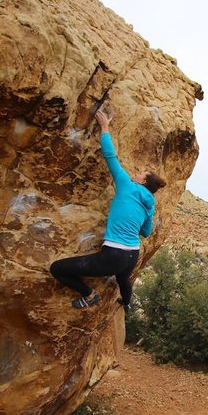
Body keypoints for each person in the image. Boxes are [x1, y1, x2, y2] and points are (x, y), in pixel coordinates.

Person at [50, 108, 166, 310]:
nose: (137, 173)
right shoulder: (150, 206)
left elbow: (110, 156)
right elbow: (146, 232)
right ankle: (127, 303)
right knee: (124, 280)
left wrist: (104, 127)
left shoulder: (127, 186)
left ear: (143, 181)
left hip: (114, 255)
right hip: (132, 255)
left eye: (141, 173)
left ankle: (90, 294)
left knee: (57, 268)